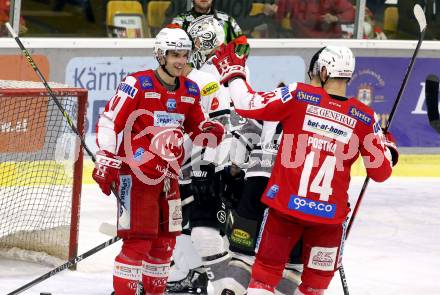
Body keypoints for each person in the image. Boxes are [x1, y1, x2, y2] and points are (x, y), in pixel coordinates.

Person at [211, 43, 399, 294]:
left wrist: (235, 73)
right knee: (313, 287)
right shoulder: (365, 118)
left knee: (264, 276)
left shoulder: (300, 95)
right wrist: (387, 146)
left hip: (285, 211)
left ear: (323, 72)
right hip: (329, 220)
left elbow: (247, 103)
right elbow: (381, 172)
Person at [92, 26, 224, 295]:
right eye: (174, 54)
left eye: (184, 55)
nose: (180, 60)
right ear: (160, 55)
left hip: (170, 179)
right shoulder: (136, 84)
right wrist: (105, 156)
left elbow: (197, 126)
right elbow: (109, 120)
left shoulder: (190, 89)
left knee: (164, 246)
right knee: (138, 244)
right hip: (136, 176)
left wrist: (208, 131)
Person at [166, 18, 250, 294]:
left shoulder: (207, 81)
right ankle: (185, 271)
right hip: (185, 164)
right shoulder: (181, 77)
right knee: (180, 220)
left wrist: (207, 167)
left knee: (202, 223)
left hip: (209, 164)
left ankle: (198, 273)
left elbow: (220, 126)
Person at [170, 0, 242, 68]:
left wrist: (224, 52)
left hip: (220, 74)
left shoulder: (227, 20)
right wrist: (194, 46)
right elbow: (170, 48)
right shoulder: (180, 21)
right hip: (189, 74)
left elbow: (243, 46)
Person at [275, 0, 355, 38]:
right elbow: (278, 15)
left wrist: (336, 18)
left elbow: (350, 12)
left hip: (329, 43)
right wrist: (272, 10)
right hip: (301, 42)